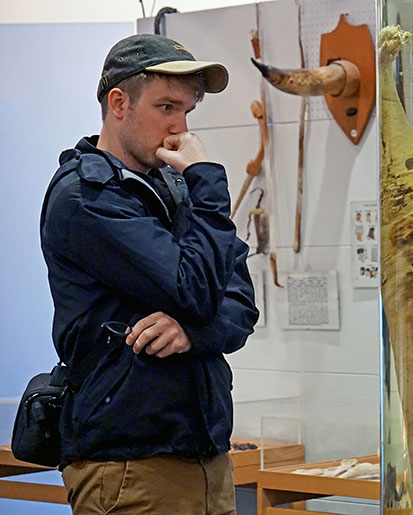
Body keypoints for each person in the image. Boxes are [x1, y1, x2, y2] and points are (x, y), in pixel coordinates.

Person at [40, 34, 259, 514]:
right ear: (119, 102)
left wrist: (194, 332)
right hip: (130, 467)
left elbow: (241, 299)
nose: (181, 127)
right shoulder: (88, 197)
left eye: (187, 110)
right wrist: (206, 177)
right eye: (165, 107)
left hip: (204, 455)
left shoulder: (173, 188)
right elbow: (195, 288)